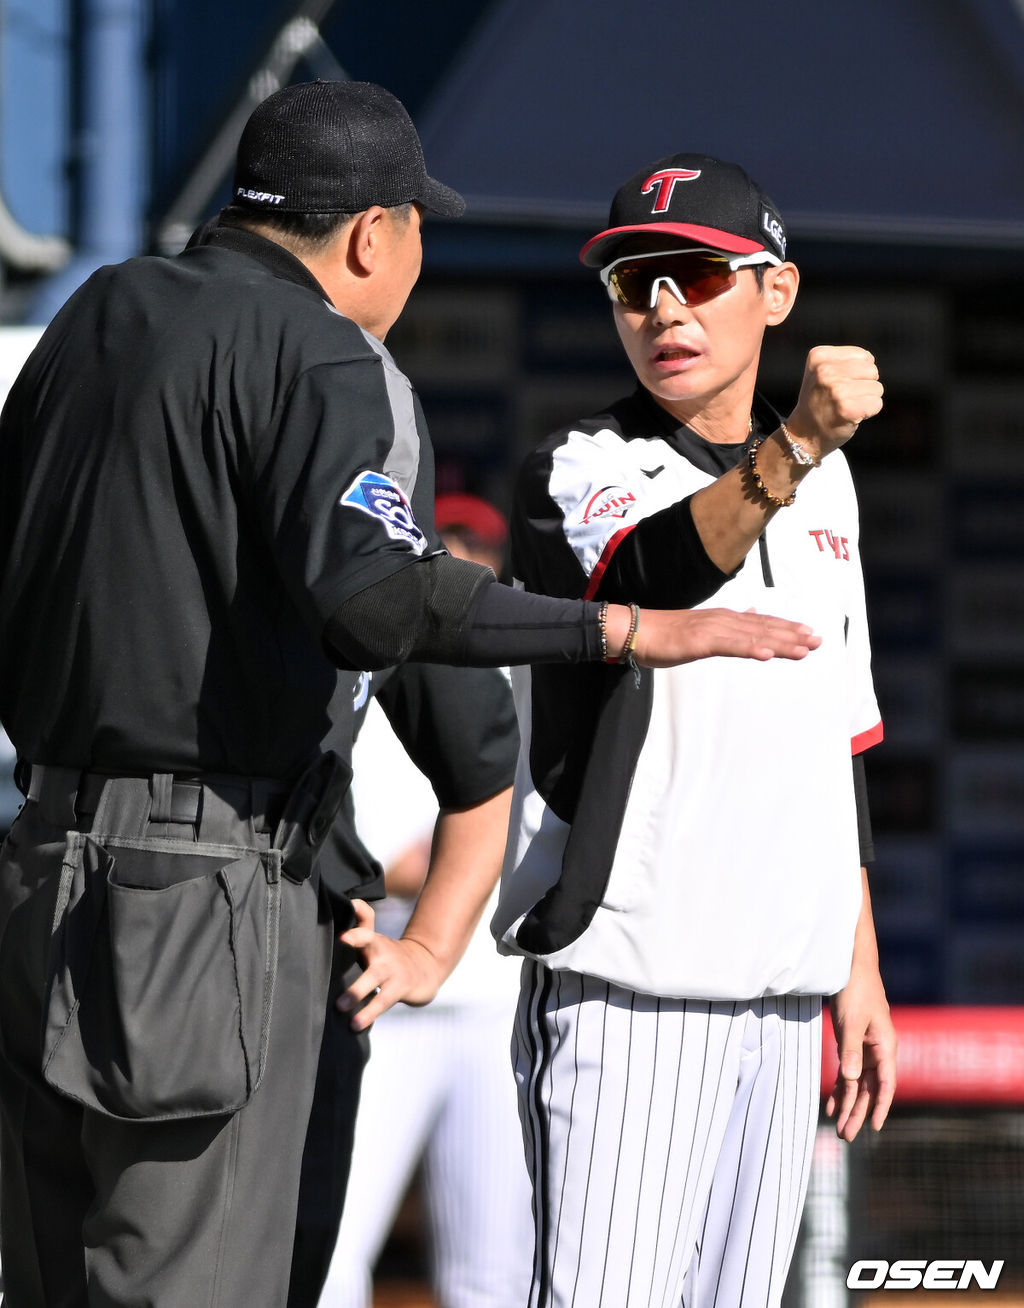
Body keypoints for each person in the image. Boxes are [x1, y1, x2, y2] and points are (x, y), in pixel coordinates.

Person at [0, 79, 819, 1306]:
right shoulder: (327, 352)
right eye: (418, 226)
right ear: (374, 233)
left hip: (37, 869)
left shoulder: (95, 316)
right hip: (202, 893)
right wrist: (625, 625)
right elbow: (379, 602)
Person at [491, 153, 899, 1308]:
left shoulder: (828, 489)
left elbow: (843, 735)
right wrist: (798, 447)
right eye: (633, 285)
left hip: (782, 995)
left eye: (694, 275)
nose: (662, 308)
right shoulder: (576, 465)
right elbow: (650, 577)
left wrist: (854, 969)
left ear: (777, 292)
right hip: (631, 985)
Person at [318, 495, 531, 1308]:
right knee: (332, 1243)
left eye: (479, 553)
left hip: (493, 996)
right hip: (382, 988)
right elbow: (368, 851)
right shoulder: (367, 667)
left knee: (494, 1271)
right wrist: (427, 867)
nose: (464, 566)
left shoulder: (524, 672)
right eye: (449, 552)